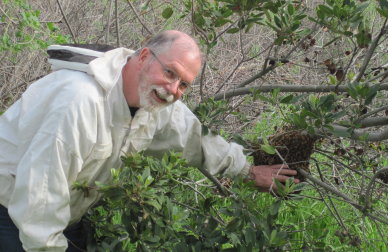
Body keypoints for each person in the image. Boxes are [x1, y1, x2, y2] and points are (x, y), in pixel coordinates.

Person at [0, 30, 298, 251]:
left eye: (184, 84)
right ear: (143, 57)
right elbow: (39, 202)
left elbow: (193, 138)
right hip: (12, 210)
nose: (173, 88)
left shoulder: (155, 102)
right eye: (170, 73)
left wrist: (246, 171)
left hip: (65, 213)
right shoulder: (78, 102)